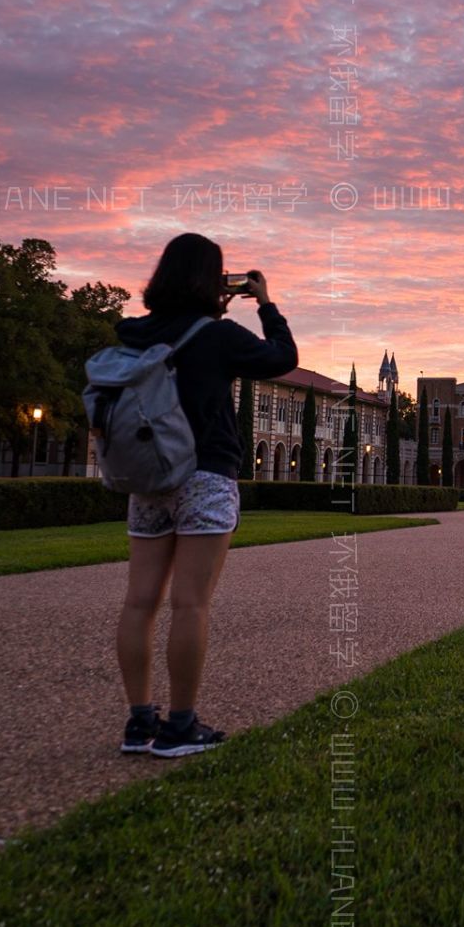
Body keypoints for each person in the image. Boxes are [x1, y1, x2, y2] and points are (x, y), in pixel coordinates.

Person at [112, 233, 298, 757]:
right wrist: (264, 301)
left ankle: (138, 722)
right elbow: (283, 357)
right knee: (190, 603)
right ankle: (179, 727)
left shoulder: (134, 334)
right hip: (205, 476)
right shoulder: (217, 336)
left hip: (148, 477)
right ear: (212, 280)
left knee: (138, 602)